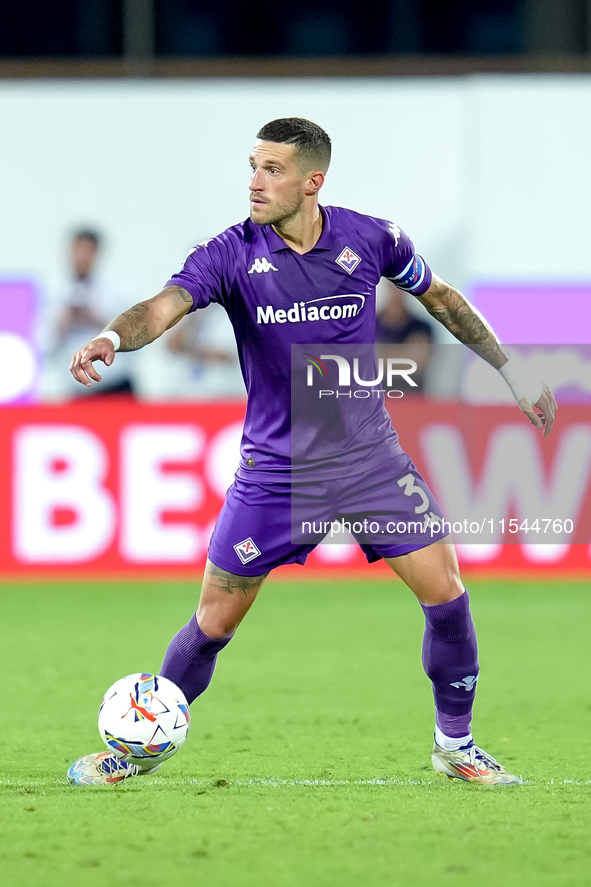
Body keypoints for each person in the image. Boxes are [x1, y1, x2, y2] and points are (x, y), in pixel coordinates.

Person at [67, 118, 556, 787]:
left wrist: (510, 370)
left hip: (368, 462)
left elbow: (439, 298)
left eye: (271, 169)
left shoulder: (371, 238)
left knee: (447, 596)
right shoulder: (229, 253)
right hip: (275, 473)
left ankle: (456, 744)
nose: (254, 181)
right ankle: (131, 749)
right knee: (214, 620)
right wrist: (111, 339)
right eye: (252, 166)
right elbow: (163, 306)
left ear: (311, 181)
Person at [44, 229, 136, 398]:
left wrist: (97, 319)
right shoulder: (54, 291)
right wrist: (63, 323)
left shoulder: (118, 289)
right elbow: (43, 344)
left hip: (116, 382)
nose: (82, 257)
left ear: (97, 253)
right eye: (77, 250)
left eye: (88, 251)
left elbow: (136, 335)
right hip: (77, 388)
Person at [375, 280, 434, 392]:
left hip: (412, 400)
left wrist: (382, 354)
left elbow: (417, 364)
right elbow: (363, 363)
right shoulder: (369, 325)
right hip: (375, 398)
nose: (396, 290)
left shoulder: (422, 327)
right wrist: (405, 354)